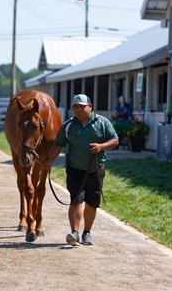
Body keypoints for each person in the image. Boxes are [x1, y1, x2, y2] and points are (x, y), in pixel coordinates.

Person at [45, 94, 119, 246]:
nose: (78, 110)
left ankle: (87, 233)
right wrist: (49, 161)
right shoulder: (68, 126)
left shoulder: (102, 123)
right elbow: (57, 145)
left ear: (90, 106)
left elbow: (115, 140)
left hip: (96, 169)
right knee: (76, 200)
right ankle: (74, 233)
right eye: (75, 107)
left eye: (81, 106)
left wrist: (101, 147)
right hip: (75, 169)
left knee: (92, 203)